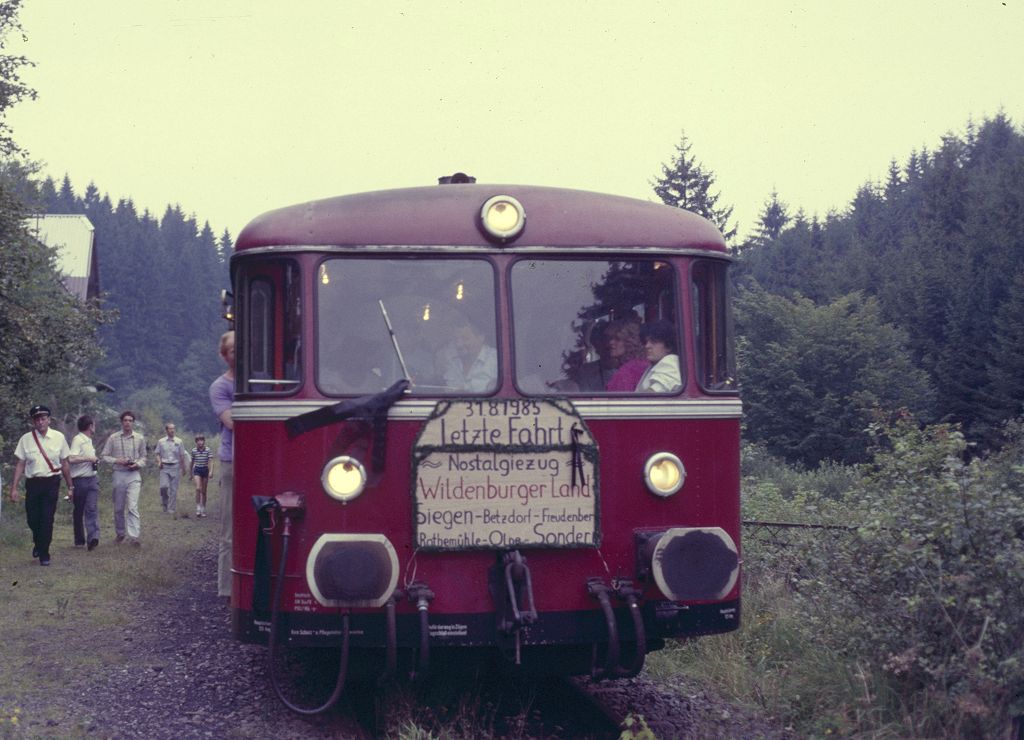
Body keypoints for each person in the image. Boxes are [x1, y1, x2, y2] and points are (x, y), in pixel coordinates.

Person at [8, 405, 73, 566]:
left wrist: (70, 486)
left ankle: (44, 553)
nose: (40, 422)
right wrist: (14, 488)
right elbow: (20, 464)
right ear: (33, 421)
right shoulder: (26, 439)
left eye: (43, 418)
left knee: (47, 518)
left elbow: (65, 463)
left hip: (51, 482)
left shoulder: (59, 437)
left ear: (49, 420)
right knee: (32, 518)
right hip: (33, 483)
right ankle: (38, 542)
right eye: (37, 419)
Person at [209, 330, 235, 599]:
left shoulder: (258, 381)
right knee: (228, 528)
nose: (238, 354)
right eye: (233, 350)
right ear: (224, 355)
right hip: (232, 460)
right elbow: (231, 422)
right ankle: (226, 589)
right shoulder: (219, 387)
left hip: (259, 461)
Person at [100, 410, 147, 546]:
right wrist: (117, 460)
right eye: (125, 420)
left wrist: (137, 464)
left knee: (132, 506)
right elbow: (104, 456)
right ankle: (120, 533)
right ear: (121, 422)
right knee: (119, 507)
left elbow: (144, 456)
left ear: (133, 423)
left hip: (133, 475)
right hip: (119, 474)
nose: (127, 423)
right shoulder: (113, 438)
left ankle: (134, 537)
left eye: (130, 420)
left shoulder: (140, 438)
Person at [68, 414, 101, 551]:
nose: (95, 427)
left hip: (92, 479)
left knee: (91, 508)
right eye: (94, 424)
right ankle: (79, 539)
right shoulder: (78, 439)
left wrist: (94, 460)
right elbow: (71, 458)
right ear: (90, 426)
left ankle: (93, 538)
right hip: (79, 480)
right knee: (79, 510)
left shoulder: (89, 440)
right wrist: (88, 458)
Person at [442, 317, 498, 392]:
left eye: (465, 339)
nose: (459, 344)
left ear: (481, 337)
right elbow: (448, 389)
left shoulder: (496, 359)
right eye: (456, 339)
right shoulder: (452, 360)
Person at [636, 319, 683, 393]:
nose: (647, 346)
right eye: (646, 342)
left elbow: (653, 394)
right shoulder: (656, 364)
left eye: (653, 342)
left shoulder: (670, 362)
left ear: (668, 346)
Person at [605, 319, 650, 392]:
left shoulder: (628, 371)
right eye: (610, 338)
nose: (611, 342)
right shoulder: (643, 363)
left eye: (617, 339)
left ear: (630, 342)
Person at [154, 422, 189, 517]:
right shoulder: (161, 441)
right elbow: (157, 453)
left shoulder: (179, 441)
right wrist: (159, 462)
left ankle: (171, 508)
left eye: (173, 428)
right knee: (163, 487)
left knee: (174, 489)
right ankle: (165, 503)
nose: (172, 430)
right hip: (164, 467)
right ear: (166, 430)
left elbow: (182, 455)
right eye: (170, 428)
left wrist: (184, 468)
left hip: (175, 466)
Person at [190, 435, 212, 518]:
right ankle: (198, 507)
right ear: (196, 442)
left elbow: (210, 461)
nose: (200, 442)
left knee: (204, 491)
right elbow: (192, 462)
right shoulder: (194, 450)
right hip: (197, 469)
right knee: (198, 488)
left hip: (205, 469)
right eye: (198, 441)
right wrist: (190, 473)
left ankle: (203, 508)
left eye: (201, 440)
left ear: (204, 441)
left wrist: (211, 471)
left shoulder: (208, 450)